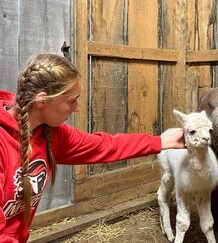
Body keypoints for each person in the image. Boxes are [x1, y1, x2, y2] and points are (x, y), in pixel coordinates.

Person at [0, 53, 185, 243]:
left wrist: (161, 142)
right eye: (71, 101)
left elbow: (104, 145)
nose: (77, 108)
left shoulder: (50, 133)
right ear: (42, 101)